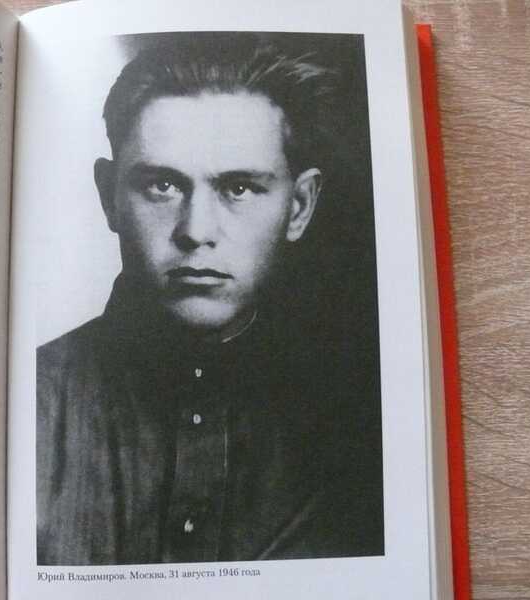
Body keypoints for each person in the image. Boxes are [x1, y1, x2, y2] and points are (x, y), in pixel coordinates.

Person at [36, 33, 383, 565]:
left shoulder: (361, 426)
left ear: (299, 206)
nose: (196, 231)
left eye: (238, 188)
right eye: (163, 186)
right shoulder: (32, 401)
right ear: (109, 197)